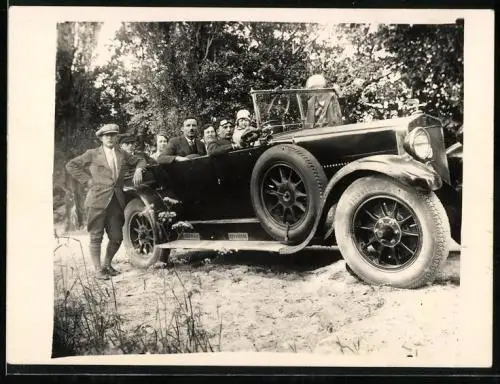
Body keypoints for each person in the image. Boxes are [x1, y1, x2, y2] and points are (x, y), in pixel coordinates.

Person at [65, 123, 145, 280]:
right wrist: (87, 181)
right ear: (101, 138)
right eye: (107, 135)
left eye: (113, 135)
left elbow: (140, 160)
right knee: (96, 236)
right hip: (96, 200)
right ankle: (98, 270)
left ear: (117, 137)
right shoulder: (92, 154)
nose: (110, 138)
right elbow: (71, 165)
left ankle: (107, 265)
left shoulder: (122, 154)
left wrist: (138, 169)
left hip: (116, 201)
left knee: (117, 237)